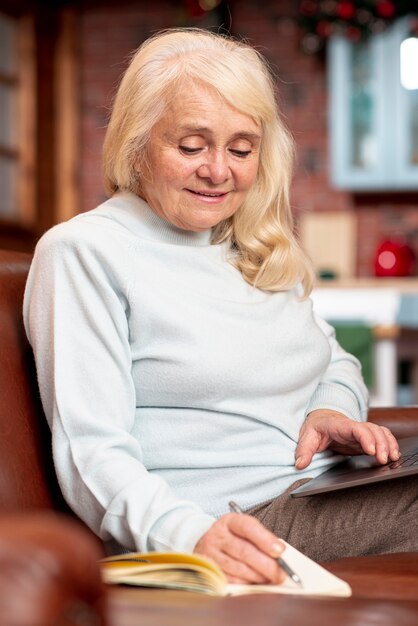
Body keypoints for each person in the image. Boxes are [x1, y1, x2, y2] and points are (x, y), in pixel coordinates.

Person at [23, 27, 416, 587]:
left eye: (240, 149)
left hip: (327, 486)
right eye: (190, 146)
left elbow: (332, 360)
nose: (218, 171)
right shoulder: (87, 252)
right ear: (136, 143)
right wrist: (190, 536)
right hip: (234, 521)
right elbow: (91, 453)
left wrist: (327, 411)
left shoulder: (249, 244)